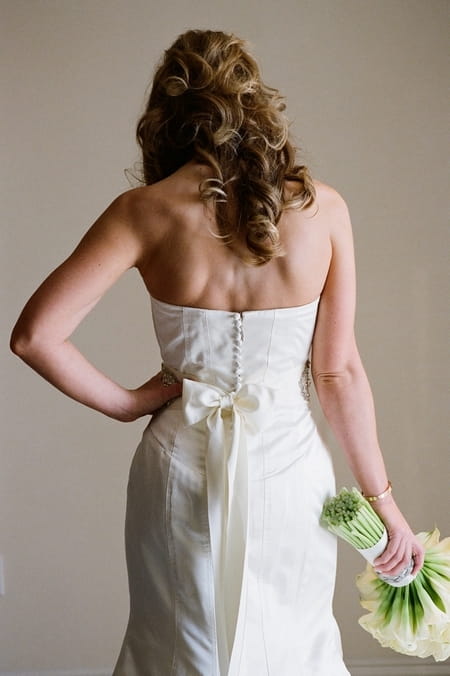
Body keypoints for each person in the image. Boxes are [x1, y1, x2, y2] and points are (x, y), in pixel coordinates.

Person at [10, 29, 424, 676]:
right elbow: (337, 371)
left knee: (176, 644)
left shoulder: (142, 211)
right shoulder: (325, 210)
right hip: (291, 471)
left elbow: (34, 336)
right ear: (256, 102)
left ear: (165, 118)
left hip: (179, 462)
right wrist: (384, 505)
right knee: (295, 641)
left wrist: (127, 405)